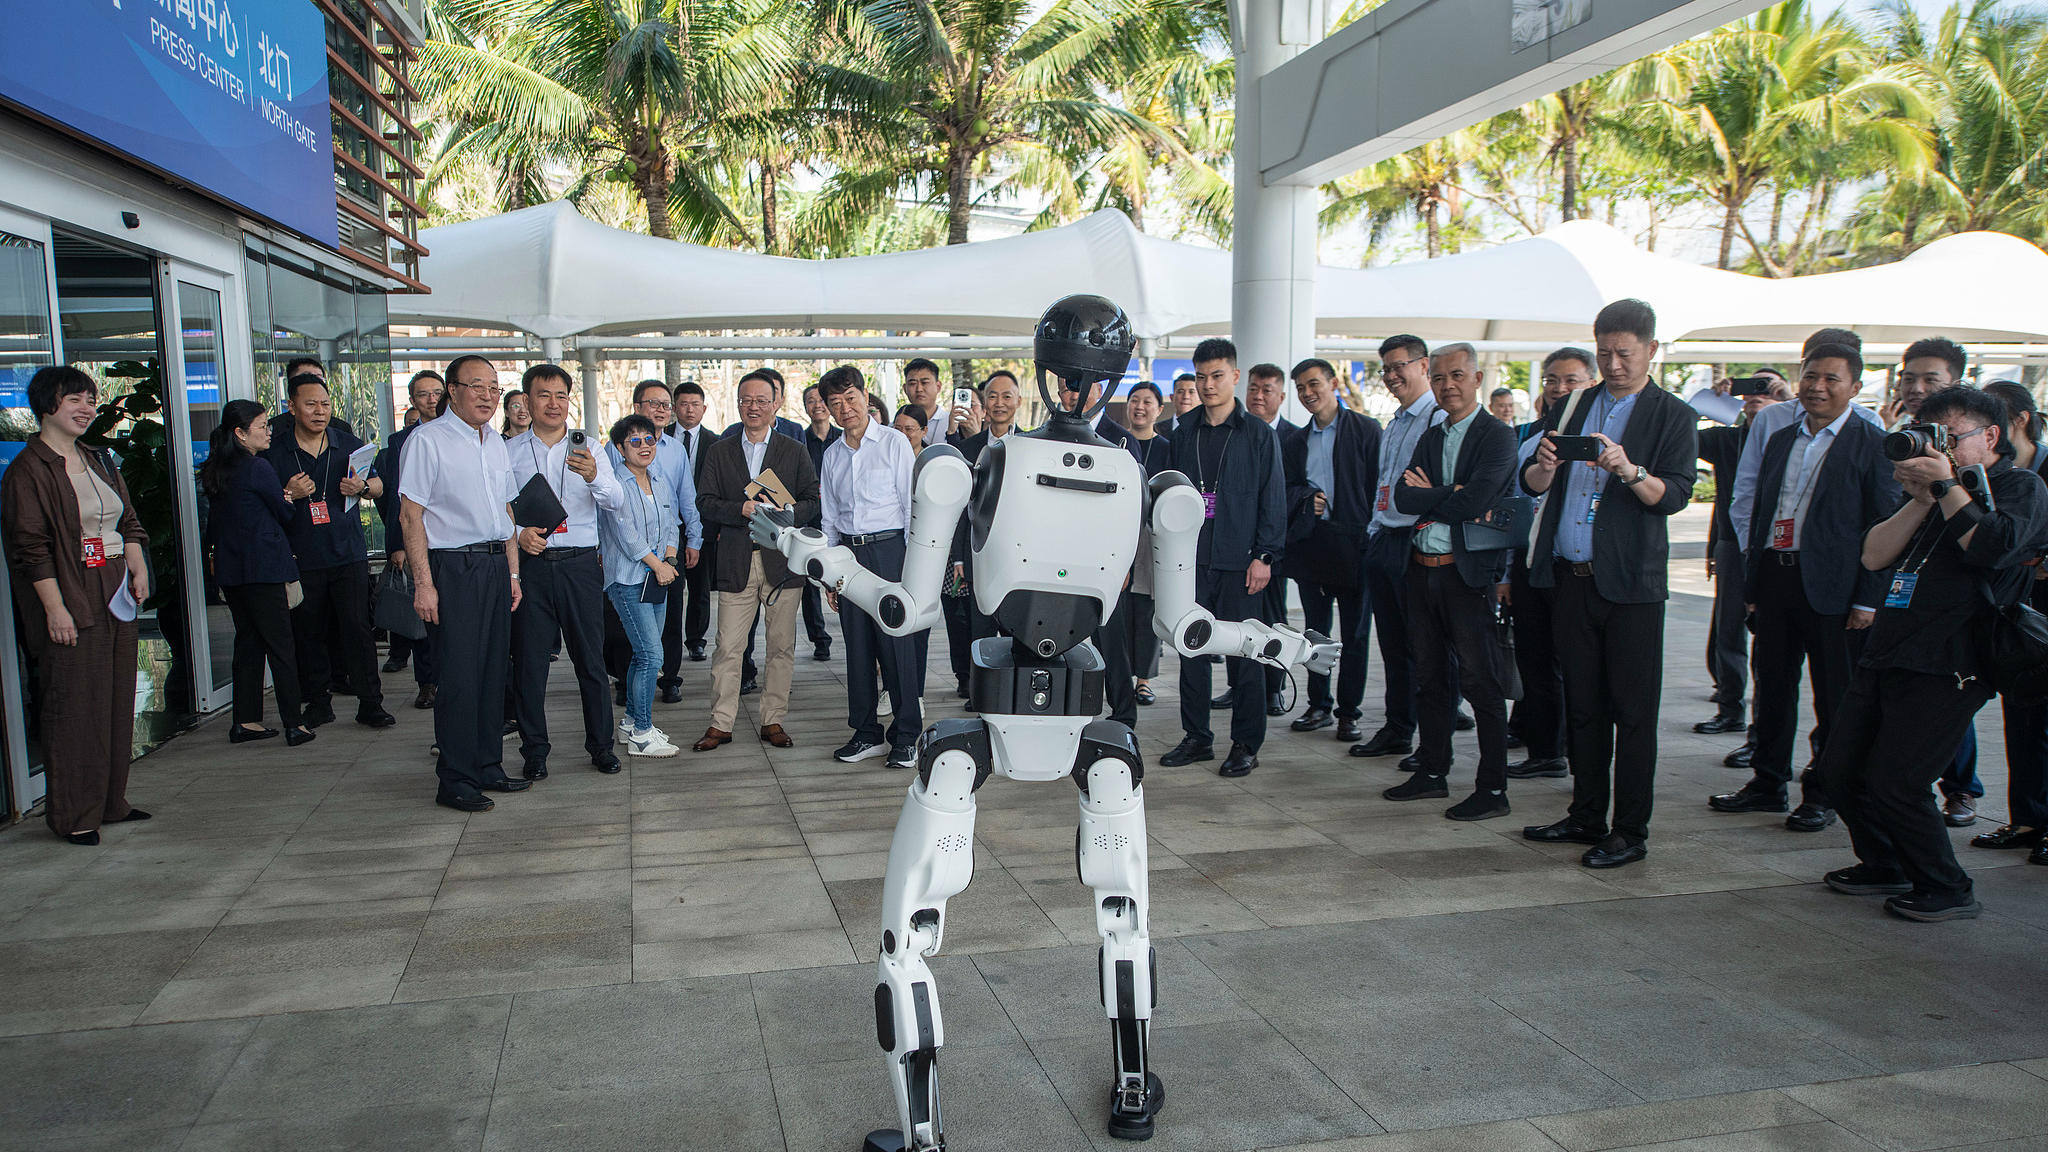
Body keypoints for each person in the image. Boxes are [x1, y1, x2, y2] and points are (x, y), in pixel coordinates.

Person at [1821, 385, 2048, 920]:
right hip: (1890, 647)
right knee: (1839, 770)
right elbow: (1875, 556)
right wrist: (1924, 497)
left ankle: (1946, 886)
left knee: (1898, 780)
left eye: (1950, 437)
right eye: (1931, 436)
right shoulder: (1931, 492)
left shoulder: (2021, 487)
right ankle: (1884, 863)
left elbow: (1991, 548)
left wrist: (1947, 486)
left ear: (1990, 436)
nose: (1938, 448)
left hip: (1954, 659)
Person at [1519, 298, 1697, 869]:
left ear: (1650, 350)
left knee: (1634, 711)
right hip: (1571, 579)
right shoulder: (1572, 405)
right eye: (1604, 353)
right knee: (1585, 705)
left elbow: (1672, 496)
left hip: (1631, 587)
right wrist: (1545, 464)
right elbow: (1533, 484)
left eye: (1625, 353)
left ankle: (1630, 828)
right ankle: (1587, 813)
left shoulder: (1671, 415)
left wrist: (1629, 470)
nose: (1614, 364)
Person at [1710, 345, 1898, 833]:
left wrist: (1867, 597)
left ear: (1855, 388)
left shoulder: (1871, 442)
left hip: (1835, 587)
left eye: (1831, 379)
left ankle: (1823, 791)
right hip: (1777, 575)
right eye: (1810, 376)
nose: (1817, 386)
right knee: (1771, 686)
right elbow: (1760, 511)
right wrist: (1753, 581)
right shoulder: (1781, 437)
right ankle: (1766, 782)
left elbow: (1885, 524)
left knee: (1833, 695)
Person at [2, 366, 152, 845]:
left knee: (113, 697)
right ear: (48, 405)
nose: (86, 408)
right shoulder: (29, 469)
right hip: (68, 587)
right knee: (74, 704)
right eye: (75, 400)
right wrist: (55, 608)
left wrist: (137, 565)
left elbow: (127, 519)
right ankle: (75, 814)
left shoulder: (99, 457)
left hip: (115, 588)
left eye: (90, 400)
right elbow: (30, 549)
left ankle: (111, 801)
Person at [1387, 343, 1520, 819]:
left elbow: (1478, 499)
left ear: (1478, 378)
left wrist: (1436, 496)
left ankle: (1493, 788)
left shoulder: (1497, 436)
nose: (1448, 385)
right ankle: (1433, 771)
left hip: (1468, 578)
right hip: (1422, 571)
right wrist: (1453, 494)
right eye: (1440, 377)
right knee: (1430, 679)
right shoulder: (1431, 433)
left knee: (1481, 681)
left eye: (1458, 375)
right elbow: (1403, 498)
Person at [400, 355, 534, 812]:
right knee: (458, 675)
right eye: (477, 386)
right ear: (451, 391)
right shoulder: (427, 440)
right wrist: (424, 584)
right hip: (452, 568)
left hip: (496, 565)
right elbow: (410, 514)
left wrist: (513, 573)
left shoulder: (495, 442)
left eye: (494, 388)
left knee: (494, 671)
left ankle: (487, 765)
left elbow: (507, 514)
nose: (488, 396)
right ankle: (455, 778)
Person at [1160, 338, 1286, 778]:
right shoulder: (1183, 432)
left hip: (1240, 561)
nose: (1208, 384)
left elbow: (1273, 500)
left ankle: (1246, 745)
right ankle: (1197, 738)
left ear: (1235, 376)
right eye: (1201, 376)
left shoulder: (1258, 435)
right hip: (1191, 561)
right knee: (1190, 649)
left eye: (1217, 376)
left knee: (1247, 655)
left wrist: (1264, 556)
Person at [506, 364, 627, 779]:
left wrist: (594, 476)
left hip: (580, 565)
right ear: (527, 401)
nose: (553, 404)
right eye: (544, 395)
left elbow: (617, 500)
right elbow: (496, 509)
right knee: (529, 665)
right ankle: (534, 751)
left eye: (561, 395)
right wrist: (518, 533)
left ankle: (601, 747)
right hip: (532, 568)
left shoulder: (590, 447)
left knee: (590, 661)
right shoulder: (509, 452)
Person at [691, 373, 823, 751]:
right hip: (736, 559)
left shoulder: (794, 450)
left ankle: (773, 719)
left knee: (781, 646)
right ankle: (720, 723)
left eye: (762, 400)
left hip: (782, 561)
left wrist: (787, 512)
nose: (754, 407)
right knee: (728, 646)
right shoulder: (719, 450)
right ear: (737, 403)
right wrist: (741, 508)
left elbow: (812, 503)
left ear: (776, 403)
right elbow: (705, 503)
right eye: (747, 400)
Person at [261, 373, 394, 729]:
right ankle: (319, 702)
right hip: (299, 555)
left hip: (347, 552)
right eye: (310, 404)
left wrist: (363, 486)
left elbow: (379, 485)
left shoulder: (348, 443)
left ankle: (370, 702)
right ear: (291, 407)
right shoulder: (276, 451)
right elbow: (263, 505)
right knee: (308, 630)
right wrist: (288, 494)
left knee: (357, 628)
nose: (319, 412)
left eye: (325, 404)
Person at [818, 365, 923, 768]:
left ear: (866, 396)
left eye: (850, 398)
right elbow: (829, 520)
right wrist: (829, 573)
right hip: (848, 556)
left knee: (897, 646)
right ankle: (866, 734)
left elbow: (913, 508)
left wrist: (914, 567)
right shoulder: (831, 455)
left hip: (890, 551)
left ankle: (906, 736)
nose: (845, 409)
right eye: (835, 403)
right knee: (858, 647)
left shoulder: (894, 443)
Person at [1503, 349, 1597, 781]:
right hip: (1529, 563)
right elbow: (1518, 509)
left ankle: (1580, 757)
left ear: (1592, 382)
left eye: (1571, 381)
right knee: (1535, 661)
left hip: (1580, 567)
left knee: (1576, 668)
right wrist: (1507, 573)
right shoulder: (1529, 440)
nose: (1560, 389)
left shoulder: (1603, 438)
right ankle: (1545, 751)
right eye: (1552, 380)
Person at [1351, 334, 1444, 762]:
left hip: (1417, 542)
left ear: (1424, 366)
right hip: (1384, 538)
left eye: (1399, 366)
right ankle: (1398, 727)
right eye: (1385, 368)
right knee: (1393, 645)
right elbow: (1383, 485)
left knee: (1424, 648)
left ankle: (1432, 741)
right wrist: (1374, 529)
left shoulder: (1437, 419)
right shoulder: (1396, 421)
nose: (1391, 376)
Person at [202, 399, 313, 747]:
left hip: (233, 571)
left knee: (248, 644)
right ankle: (294, 723)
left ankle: (245, 720)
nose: (269, 432)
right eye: (262, 426)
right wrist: (290, 495)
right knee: (281, 645)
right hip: (263, 569)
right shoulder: (257, 466)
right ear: (240, 432)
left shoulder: (216, 468)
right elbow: (283, 512)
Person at [1281, 358, 1381, 742]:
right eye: (1302, 388)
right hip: (1313, 544)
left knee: (1355, 634)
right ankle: (1318, 705)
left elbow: (1378, 485)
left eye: (1314, 384)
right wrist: (1308, 498)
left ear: (1333, 382)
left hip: (1356, 543)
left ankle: (1348, 712)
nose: (1308, 394)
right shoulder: (1296, 440)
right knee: (1315, 632)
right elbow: (1286, 488)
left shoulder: (1367, 430)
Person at [1693, 369, 1792, 739]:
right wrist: (1715, 402)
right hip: (1734, 543)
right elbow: (1676, 430)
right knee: (1728, 627)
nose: (1756, 394)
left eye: (1766, 389)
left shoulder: (1794, 436)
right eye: (1750, 388)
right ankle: (1729, 707)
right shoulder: (1728, 438)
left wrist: (1788, 402)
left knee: (1772, 636)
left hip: (1779, 543)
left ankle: (1762, 727)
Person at [1974, 381, 2048, 866]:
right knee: (2021, 714)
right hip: (2010, 612)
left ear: (2017, 420)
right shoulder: (1987, 473)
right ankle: (2026, 819)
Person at [600, 414, 683, 758]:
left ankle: (631, 722)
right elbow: (627, 537)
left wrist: (670, 560)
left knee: (643, 654)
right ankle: (643, 734)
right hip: (628, 580)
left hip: (658, 577)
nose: (644, 446)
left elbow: (672, 522)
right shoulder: (614, 486)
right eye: (635, 441)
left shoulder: (659, 480)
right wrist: (658, 565)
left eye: (649, 439)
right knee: (652, 655)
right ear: (620, 448)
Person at [945, 372, 1025, 706]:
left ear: (1019, 402)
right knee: (980, 629)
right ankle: (980, 693)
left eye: (1007, 396)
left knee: (1016, 629)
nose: (1000, 403)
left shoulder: (1032, 445)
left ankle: (1015, 692)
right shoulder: (968, 448)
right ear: (983, 402)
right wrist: (960, 558)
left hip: (1018, 555)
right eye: (993, 396)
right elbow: (961, 508)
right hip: (977, 553)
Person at [378, 369, 446, 687]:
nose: (432, 400)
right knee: (421, 610)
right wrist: (397, 544)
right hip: (417, 538)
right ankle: (427, 684)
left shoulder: (467, 432)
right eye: (423, 394)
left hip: (454, 541)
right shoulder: (400, 441)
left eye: (437, 392)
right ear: (413, 401)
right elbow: (396, 495)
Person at [1122, 381, 1173, 706]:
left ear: (1159, 408)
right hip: (1121, 537)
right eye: (1134, 400)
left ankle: (1144, 679)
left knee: (1147, 611)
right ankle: (1119, 673)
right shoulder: (1118, 445)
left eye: (1147, 401)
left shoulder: (1169, 448)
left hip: (1153, 540)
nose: (1140, 407)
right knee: (1120, 612)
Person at [666, 380, 716, 681]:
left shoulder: (716, 441)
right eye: (683, 404)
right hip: (670, 525)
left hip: (704, 523)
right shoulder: (659, 439)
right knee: (672, 587)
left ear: (704, 408)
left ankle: (696, 640)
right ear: (674, 408)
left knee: (700, 587)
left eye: (695, 404)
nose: (689, 409)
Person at [800, 383, 841, 661]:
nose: (817, 405)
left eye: (821, 400)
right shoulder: (798, 440)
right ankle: (820, 639)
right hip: (809, 518)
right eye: (810, 400)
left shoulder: (843, 438)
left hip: (838, 519)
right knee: (810, 580)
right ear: (805, 407)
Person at [900, 358, 950, 444]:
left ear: (938, 386)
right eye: (912, 384)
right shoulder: (896, 426)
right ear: (905, 388)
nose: (919, 389)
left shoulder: (950, 422)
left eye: (925, 383)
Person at [1158, 372, 1199, 437]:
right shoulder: (1156, 429)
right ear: (1172, 397)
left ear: (1201, 399)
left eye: (1191, 392)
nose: (1186, 396)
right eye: (1180, 392)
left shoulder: (1207, 430)